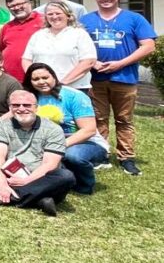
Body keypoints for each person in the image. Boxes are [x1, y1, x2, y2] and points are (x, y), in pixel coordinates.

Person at [79, 0, 157, 176]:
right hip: (95, 78)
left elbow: (148, 46)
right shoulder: (86, 20)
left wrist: (121, 63)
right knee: (98, 119)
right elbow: (77, 45)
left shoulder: (134, 18)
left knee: (124, 119)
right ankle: (101, 154)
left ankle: (126, 158)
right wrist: (93, 62)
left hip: (125, 77)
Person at [0, 90, 76, 217]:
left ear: (36, 108)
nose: (21, 109)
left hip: (40, 177)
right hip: (9, 175)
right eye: (16, 105)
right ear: (10, 108)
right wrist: (1, 182)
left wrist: (26, 180)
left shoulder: (53, 129)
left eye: (27, 105)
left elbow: (50, 164)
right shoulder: (2, 126)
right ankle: (39, 200)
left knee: (66, 176)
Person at [22, 63, 108, 194]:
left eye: (45, 77)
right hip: (46, 141)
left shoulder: (74, 96)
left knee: (73, 156)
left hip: (84, 142)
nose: (41, 82)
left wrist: (59, 145)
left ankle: (84, 185)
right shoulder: (30, 98)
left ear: (54, 77)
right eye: (36, 79)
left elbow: (89, 130)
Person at [22, 1, 97, 91]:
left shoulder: (79, 34)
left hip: (73, 88)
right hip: (42, 88)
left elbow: (89, 61)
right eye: (50, 14)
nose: (54, 17)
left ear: (68, 16)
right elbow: (26, 59)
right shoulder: (38, 35)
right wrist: (35, 78)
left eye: (58, 13)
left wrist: (62, 83)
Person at [0, 0, 44, 81]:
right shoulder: (7, 27)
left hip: (37, 78)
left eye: (19, 4)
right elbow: (2, 49)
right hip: (11, 79)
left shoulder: (44, 21)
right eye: (11, 6)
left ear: (29, 3)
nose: (16, 8)